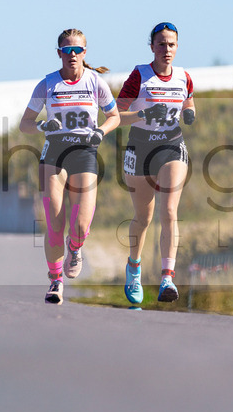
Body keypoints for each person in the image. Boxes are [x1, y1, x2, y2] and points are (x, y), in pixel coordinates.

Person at [19, 29, 120, 305]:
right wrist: (43, 125)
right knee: (55, 223)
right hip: (54, 152)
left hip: (84, 152)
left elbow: (114, 116)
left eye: (77, 50)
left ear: (85, 53)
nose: (72, 55)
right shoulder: (47, 84)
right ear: (59, 53)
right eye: (67, 50)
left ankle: (75, 247)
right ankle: (55, 281)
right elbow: (25, 124)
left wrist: (101, 131)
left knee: (80, 225)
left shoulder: (95, 83)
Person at [116, 22, 196, 306]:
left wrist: (189, 113)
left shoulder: (184, 76)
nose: (166, 49)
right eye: (161, 44)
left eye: (171, 44)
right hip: (140, 147)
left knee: (170, 211)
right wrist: (143, 114)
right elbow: (116, 115)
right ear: (152, 47)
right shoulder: (140, 75)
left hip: (171, 146)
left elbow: (188, 101)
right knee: (143, 218)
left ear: (177, 47)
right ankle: (134, 268)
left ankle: (167, 278)